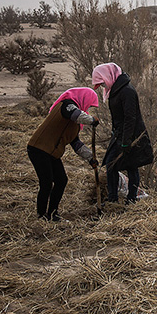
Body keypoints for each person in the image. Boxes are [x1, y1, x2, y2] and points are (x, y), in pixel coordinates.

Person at [26, 88, 100, 221]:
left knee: (61, 180)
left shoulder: (74, 124)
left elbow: (76, 144)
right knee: (46, 183)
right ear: (84, 98)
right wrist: (91, 120)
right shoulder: (67, 105)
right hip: (38, 149)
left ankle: (53, 213)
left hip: (51, 153)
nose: (88, 107)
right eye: (89, 104)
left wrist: (91, 158)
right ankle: (41, 215)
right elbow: (77, 114)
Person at [91, 63, 153, 204]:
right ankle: (112, 198)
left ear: (108, 76)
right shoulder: (115, 90)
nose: (102, 87)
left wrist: (126, 141)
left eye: (102, 83)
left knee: (131, 166)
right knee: (111, 165)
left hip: (131, 136)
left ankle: (132, 199)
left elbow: (130, 118)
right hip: (120, 134)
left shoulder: (127, 91)